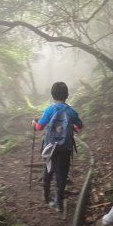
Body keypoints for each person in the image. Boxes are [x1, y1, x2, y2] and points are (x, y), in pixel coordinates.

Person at [32, 82, 83, 213]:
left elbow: (39, 127)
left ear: (52, 95)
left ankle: (45, 195)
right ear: (67, 95)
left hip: (50, 146)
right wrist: (71, 126)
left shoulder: (50, 109)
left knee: (48, 169)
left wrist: (34, 123)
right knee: (62, 173)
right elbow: (80, 125)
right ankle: (57, 202)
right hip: (65, 147)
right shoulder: (71, 111)